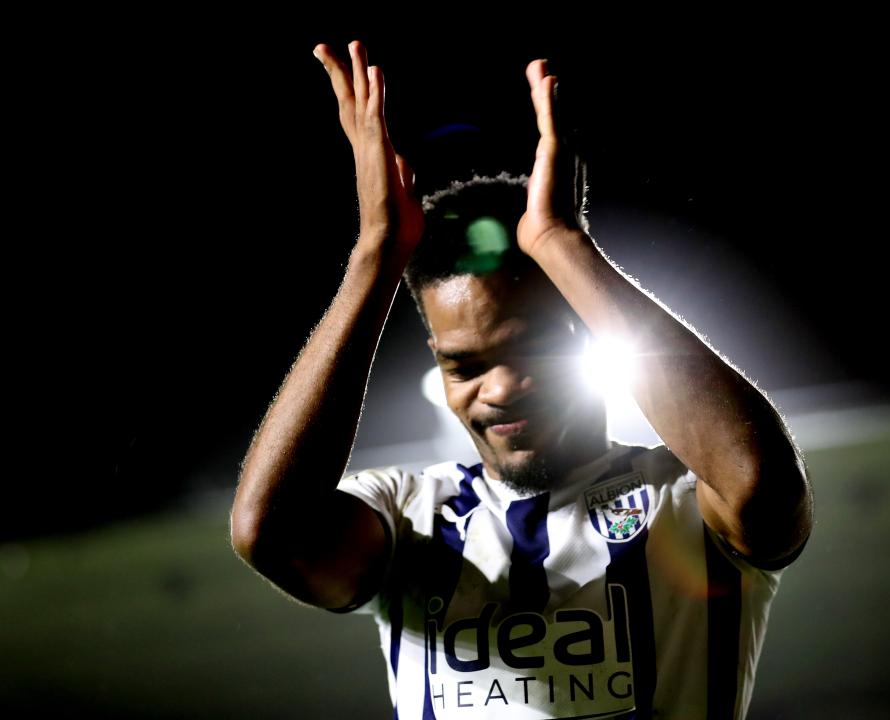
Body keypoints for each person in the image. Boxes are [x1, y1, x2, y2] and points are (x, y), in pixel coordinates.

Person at [229, 39, 814, 720]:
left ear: (589, 332)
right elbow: (268, 532)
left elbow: (765, 487)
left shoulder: (683, 500)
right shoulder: (408, 516)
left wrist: (562, 244)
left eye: (529, 353)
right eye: (464, 366)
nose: (500, 388)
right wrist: (375, 257)